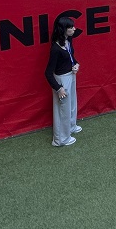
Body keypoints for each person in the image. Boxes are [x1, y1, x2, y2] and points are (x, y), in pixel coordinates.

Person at [45, 15, 82, 147]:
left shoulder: (68, 41)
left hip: (71, 75)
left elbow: (71, 56)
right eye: (71, 27)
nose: (74, 29)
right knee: (63, 109)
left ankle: (71, 127)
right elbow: (48, 72)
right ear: (63, 30)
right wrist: (58, 88)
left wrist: (76, 64)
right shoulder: (55, 49)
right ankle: (60, 139)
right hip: (62, 79)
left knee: (71, 104)